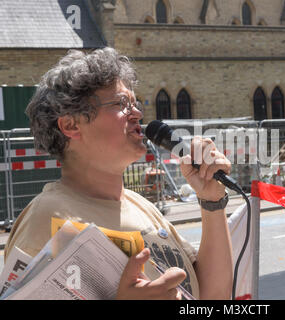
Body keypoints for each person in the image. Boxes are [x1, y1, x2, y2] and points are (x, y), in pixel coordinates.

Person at [4, 48, 233, 300]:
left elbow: (214, 297)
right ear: (71, 125)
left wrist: (212, 202)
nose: (137, 113)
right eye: (122, 104)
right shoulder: (48, 216)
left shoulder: (142, 206)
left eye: (134, 103)